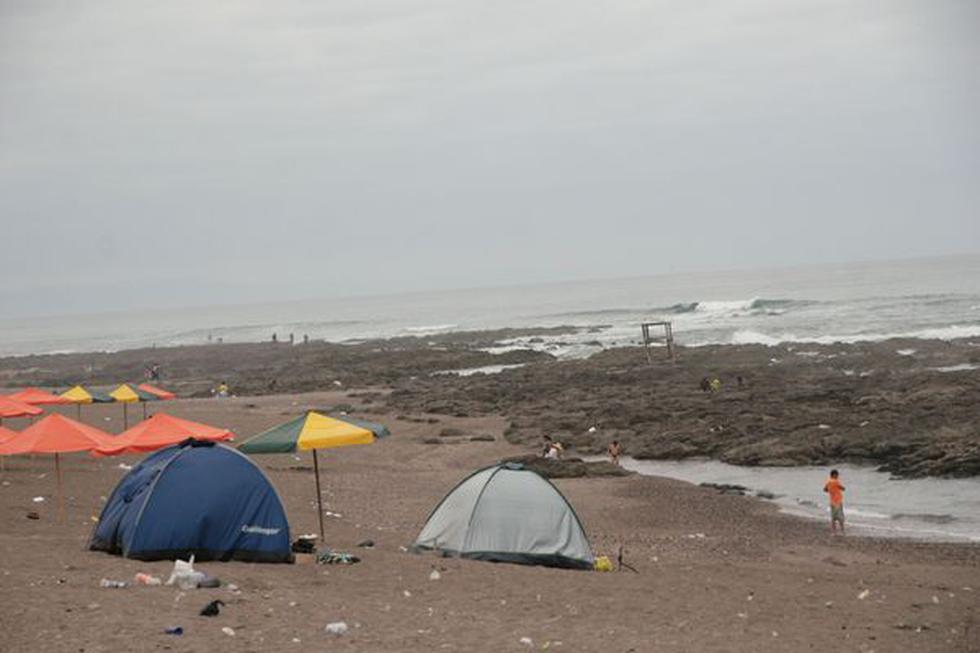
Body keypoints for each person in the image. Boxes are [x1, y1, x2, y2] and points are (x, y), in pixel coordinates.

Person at [823, 469, 846, 535]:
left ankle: (834, 532)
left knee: (833, 517)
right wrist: (841, 488)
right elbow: (843, 488)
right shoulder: (836, 481)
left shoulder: (828, 482)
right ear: (834, 475)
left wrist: (831, 490)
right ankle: (842, 531)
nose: (838, 476)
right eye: (837, 475)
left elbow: (825, 489)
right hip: (838, 501)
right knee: (840, 517)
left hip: (832, 502)